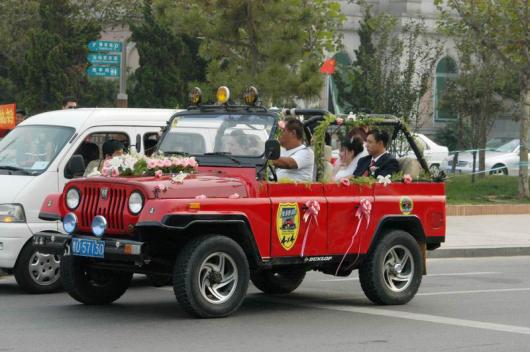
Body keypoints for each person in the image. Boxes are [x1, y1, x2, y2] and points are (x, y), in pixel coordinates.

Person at [272, 117, 314, 182]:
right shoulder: (281, 150)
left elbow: (289, 164)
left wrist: (265, 158)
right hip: (276, 189)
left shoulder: (307, 152)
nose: (277, 134)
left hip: (297, 191)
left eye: (281, 130)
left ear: (293, 133)